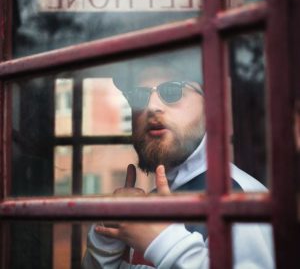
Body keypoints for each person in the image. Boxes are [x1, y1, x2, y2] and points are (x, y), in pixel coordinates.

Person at [82, 51, 274, 269]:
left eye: (172, 90)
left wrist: (165, 244)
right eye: (138, 95)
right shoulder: (145, 205)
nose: (151, 107)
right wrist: (106, 236)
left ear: (209, 105)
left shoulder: (241, 199)